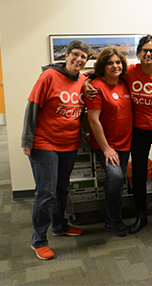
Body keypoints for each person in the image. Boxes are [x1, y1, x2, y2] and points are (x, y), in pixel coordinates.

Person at [85, 35, 152, 234]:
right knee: (138, 173)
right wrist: (86, 83)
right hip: (138, 131)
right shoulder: (130, 72)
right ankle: (141, 214)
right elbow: (98, 74)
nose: (148, 53)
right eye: (144, 50)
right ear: (138, 53)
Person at [21, 40, 93, 260]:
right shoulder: (48, 77)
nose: (79, 59)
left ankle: (59, 225)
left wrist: (82, 134)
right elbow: (33, 106)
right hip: (44, 143)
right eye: (76, 54)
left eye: (84, 57)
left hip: (69, 143)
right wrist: (28, 139)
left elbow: (76, 112)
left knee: (62, 188)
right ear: (67, 55)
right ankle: (39, 240)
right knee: (45, 193)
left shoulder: (82, 79)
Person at [86, 47, 133, 237]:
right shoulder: (96, 87)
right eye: (110, 63)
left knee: (119, 179)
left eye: (118, 62)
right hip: (106, 144)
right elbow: (93, 120)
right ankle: (114, 220)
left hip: (126, 142)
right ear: (103, 67)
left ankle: (110, 217)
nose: (115, 66)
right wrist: (106, 148)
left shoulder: (125, 83)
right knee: (116, 177)